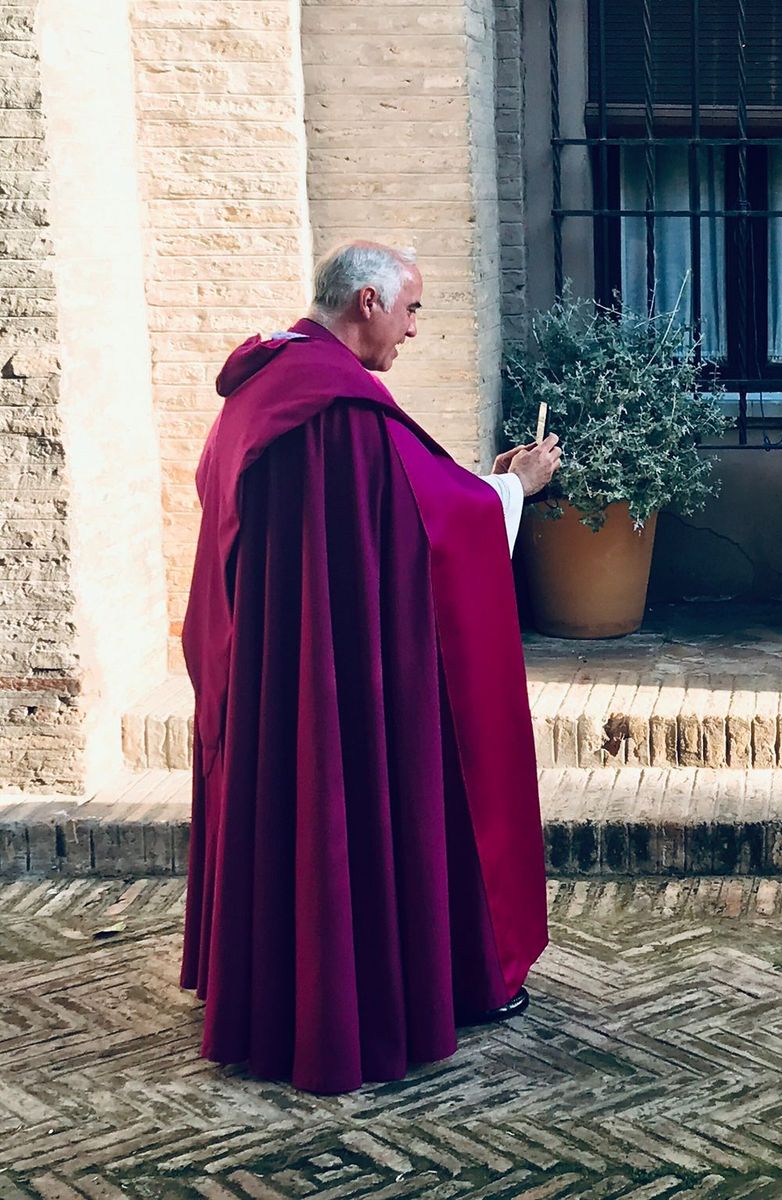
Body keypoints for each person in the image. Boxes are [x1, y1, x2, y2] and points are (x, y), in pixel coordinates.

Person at [181, 241, 562, 1092]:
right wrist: (516, 491)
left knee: (291, 810)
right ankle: (361, 1002)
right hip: (337, 679)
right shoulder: (341, 408)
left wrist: (475, 486)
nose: (416, 329)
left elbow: (385, 509)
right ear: (365, 302)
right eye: (412, 309)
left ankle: (275, 992)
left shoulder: (258, 384)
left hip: (273, 665)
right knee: (359, 803)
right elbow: (431, 527)